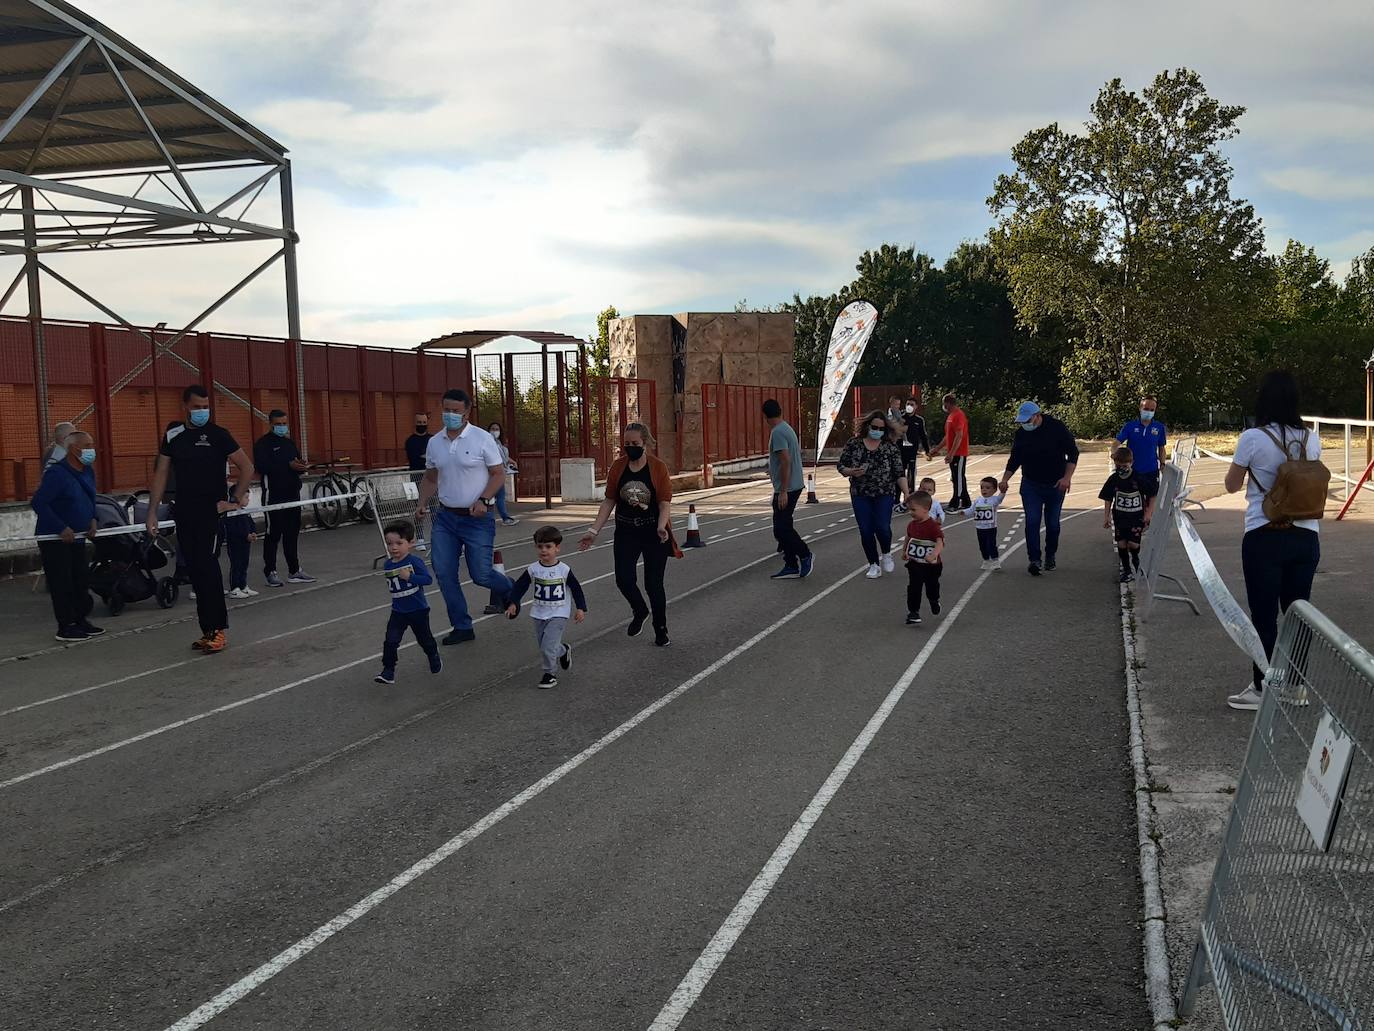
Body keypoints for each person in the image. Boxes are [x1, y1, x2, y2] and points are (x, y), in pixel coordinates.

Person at [1221, 371, 1324, 711]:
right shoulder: (1311, 438)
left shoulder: (1252, 437)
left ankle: (1263, 685)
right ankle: (1295, 687)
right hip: (1307, 535)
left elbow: (1232, 485)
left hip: (1263, 534)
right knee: (1298, 612)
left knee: (1264, 616)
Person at [146, 384, 254, 653]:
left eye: (206, 407)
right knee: (194, 570)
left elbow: (247, 467)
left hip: (210, 514)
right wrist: (151, 512)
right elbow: (161, 473)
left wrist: (234, 500)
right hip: (184, 511)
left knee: (208, 568)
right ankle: (207, 630)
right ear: (185, 407)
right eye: (196, 407)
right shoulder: (173, 434)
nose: (202, 411)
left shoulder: (218, 435)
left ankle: (218, 629)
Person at [413, 388, 513, 645]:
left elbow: (498, 474)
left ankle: (511, 587)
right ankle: (462, 626)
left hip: (477, 518)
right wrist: (422, 502)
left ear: (467, 412)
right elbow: (431, 477)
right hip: (446, 518)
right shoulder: (435, 442)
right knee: (444, 573)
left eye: (455, 411)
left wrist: (484, 499)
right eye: (446, 410)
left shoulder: (481, 439)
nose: (450, 415)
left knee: (481, 575)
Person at [579, 423, 681, 646]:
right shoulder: (618, 467)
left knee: (653, 584)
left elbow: (665, 503)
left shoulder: (657, 468)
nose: (630, 448)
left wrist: (662, 526)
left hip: (653, 531)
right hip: (626, 531)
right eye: (626, 444)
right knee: (624, 578)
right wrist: (593, 530)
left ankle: (660, 628)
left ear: (645, 443)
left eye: (635, 444)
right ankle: (640, 610)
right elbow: (609, 501)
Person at [31, 428, 103, 642]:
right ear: (73, 449)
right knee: (62, 582)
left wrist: (93, 519)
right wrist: (60, 527)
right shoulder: (57, 473)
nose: (92, 450)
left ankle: (81, 620)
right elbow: (39, 502)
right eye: (87, 446)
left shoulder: (88, 471)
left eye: (92, 445)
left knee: (80, 579)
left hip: (79, 536)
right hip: (56, 539)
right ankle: (66, 626)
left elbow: (91, 498)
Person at [1000, 401, 1079, 577]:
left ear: (1038, 416)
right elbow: (1015, 458)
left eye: (1027, 420)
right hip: (1031, 484)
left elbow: (1073, 453)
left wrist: (1067, 478)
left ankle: (1050, 555)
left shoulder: (1056, 427)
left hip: (1055, 484)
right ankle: (1034, 559)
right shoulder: (1021, 434)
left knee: (1052, 524)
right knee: (1032, 521)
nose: (1025, 424)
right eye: (1022, 421)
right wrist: (1005, 479)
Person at [506, 525, 588, 688]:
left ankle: (550, 674)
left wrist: (580, 608)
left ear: (557, 548)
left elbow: (576, 588)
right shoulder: (533, 569)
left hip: (558, 613)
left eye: (548, 546)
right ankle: (563, 650)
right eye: (540, 546)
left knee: (547, 647)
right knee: (545, 646)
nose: (544, 550)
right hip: (539, 613)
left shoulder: (563, 570)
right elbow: (520, 586)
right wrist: (513, 602)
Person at [837, 410, 909, 580]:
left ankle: (886, 552)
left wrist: (906, 492)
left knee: (882, 527)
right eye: (874, 427)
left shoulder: (889, 447)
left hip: (884, 493)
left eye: (881, 429)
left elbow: (899, 472)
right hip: (860, 493)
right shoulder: (854, 444)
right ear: (867, 426)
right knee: (866, 530)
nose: (877, 430)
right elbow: (841, 465)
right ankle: (873, 564)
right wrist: (850, 472)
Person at [374, 520, 442, 685]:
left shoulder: (414, 562)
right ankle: (388, 671)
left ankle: (433, 654)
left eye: (399, 543)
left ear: (410, 543)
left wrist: (410, 577)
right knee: (390, 640)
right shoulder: (388, 564)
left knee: (424, 639)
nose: (394, 547)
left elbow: (427, 580)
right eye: (389, 544)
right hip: (398, 611)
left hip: (418, 610)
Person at [254, 409, 315, 587]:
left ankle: (294, 570)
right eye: (278, 424)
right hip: (274, 496)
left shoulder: (289, 443)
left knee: (292, 533)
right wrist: (286, 465)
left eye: (284, 424)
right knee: (273, 534)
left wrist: (301, 465)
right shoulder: (262, 444)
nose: (282, 427)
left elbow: (296, 462)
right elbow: (262, 467)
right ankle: (270, 571)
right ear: (271, 424)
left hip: (292, 495)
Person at [763, 398, 813, 580]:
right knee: (782, 527)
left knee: (782, 528)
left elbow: (785, 460)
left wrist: (783, 490)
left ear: (765, 417)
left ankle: (804, 554)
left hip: (788, 487)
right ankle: (790, 563)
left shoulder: (777, 432)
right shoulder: (787, 428)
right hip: (793, 483)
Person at [1099, 447, 1152, 584]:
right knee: (1122, 543)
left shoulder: (1138, 478)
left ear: (1131, 463)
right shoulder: (1114, 479)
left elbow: (1152, 494)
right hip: (1120, 517)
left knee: (1133, 544)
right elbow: (1108, 498)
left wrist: (1148, 513)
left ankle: (1135, 558)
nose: (1121, 468)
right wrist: (1106, 516)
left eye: (1125, 465)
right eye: (1118, 465)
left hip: (1136, 517)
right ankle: (1127, 569)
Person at [902, 489, 945, 626]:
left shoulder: (933, 526)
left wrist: (933, 555)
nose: (911, 513)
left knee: (932, 587)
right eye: (909, 510)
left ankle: (934, 600)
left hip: (932, 565)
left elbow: (940, 542)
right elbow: (908, 538)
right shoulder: (911, 525)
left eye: (914, 510)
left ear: (926, 509)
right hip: (915, 563)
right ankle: (913, 612)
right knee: (914, 587)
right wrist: (905, 551)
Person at [1115, 395, 1167, 500]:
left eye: (1152, 410)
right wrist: (1115, 454)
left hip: (1151, 471)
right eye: (1146, 409)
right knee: (1134, 500)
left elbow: (1161, 447)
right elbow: (1117, 442)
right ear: (1140, 408)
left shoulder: (1159, 428)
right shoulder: (1130, 426)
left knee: (1152, 499)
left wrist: (1162, 463)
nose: (1149, 412)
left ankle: (1148, 516)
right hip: (1132, 471)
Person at [929, 393, 972, 512]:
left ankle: (956, 502)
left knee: (957, 477)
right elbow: (948, 436)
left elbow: (959, 436)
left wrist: (952, 453)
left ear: (947, 403)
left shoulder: (958, 415)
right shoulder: (951, 416)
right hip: (954, 452)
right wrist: (937, 449)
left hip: (959, 452)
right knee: (957, 477)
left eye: (944, 404)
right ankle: (966, 500)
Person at [220, 482, 259, 599]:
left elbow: (251, 524)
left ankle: (243, 585)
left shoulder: (245, 512)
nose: (248, 500)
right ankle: (234, 588)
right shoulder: (230, 512)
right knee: (236, 564)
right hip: (235, 543)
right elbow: (233, 529)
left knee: (244, 564)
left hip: (246, 543)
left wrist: (253, 533)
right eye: (246, 497)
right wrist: (244, 535)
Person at [486, 421, 520, 526]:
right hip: (492, 474)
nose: (495, 431)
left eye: (497, 429)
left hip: (500, 473)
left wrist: (512, 462)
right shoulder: (488, 443)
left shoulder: (499, 444)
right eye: (493, 429)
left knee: (495, 497)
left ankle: (502, 518)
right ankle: (505, 518)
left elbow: (504, 457)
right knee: (497, 497)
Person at [969, 475, 1006, 570]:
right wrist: (963, 512)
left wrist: (1003, 491)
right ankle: (986, 560)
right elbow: (971, 510)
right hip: (979, 528)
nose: (984, 490)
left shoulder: (994, 500)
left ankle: (995, 560)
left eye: (988, 488)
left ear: (994, 490)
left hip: (991, 527)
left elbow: (1000, 498)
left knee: (991, 544)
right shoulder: (978, 500)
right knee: (982, 545)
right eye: (982, 487)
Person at [900, 398, 929, 499]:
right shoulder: (900, 418)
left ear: (916, 406)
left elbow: (923, 436)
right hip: (900, 452)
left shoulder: (919, 420)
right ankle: (896, 499)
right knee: (900, 474)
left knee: (911, 475)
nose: (909, 406)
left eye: (912, 404)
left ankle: (910, 497)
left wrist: (927, 450)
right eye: (908, 404)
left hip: (912, 452)